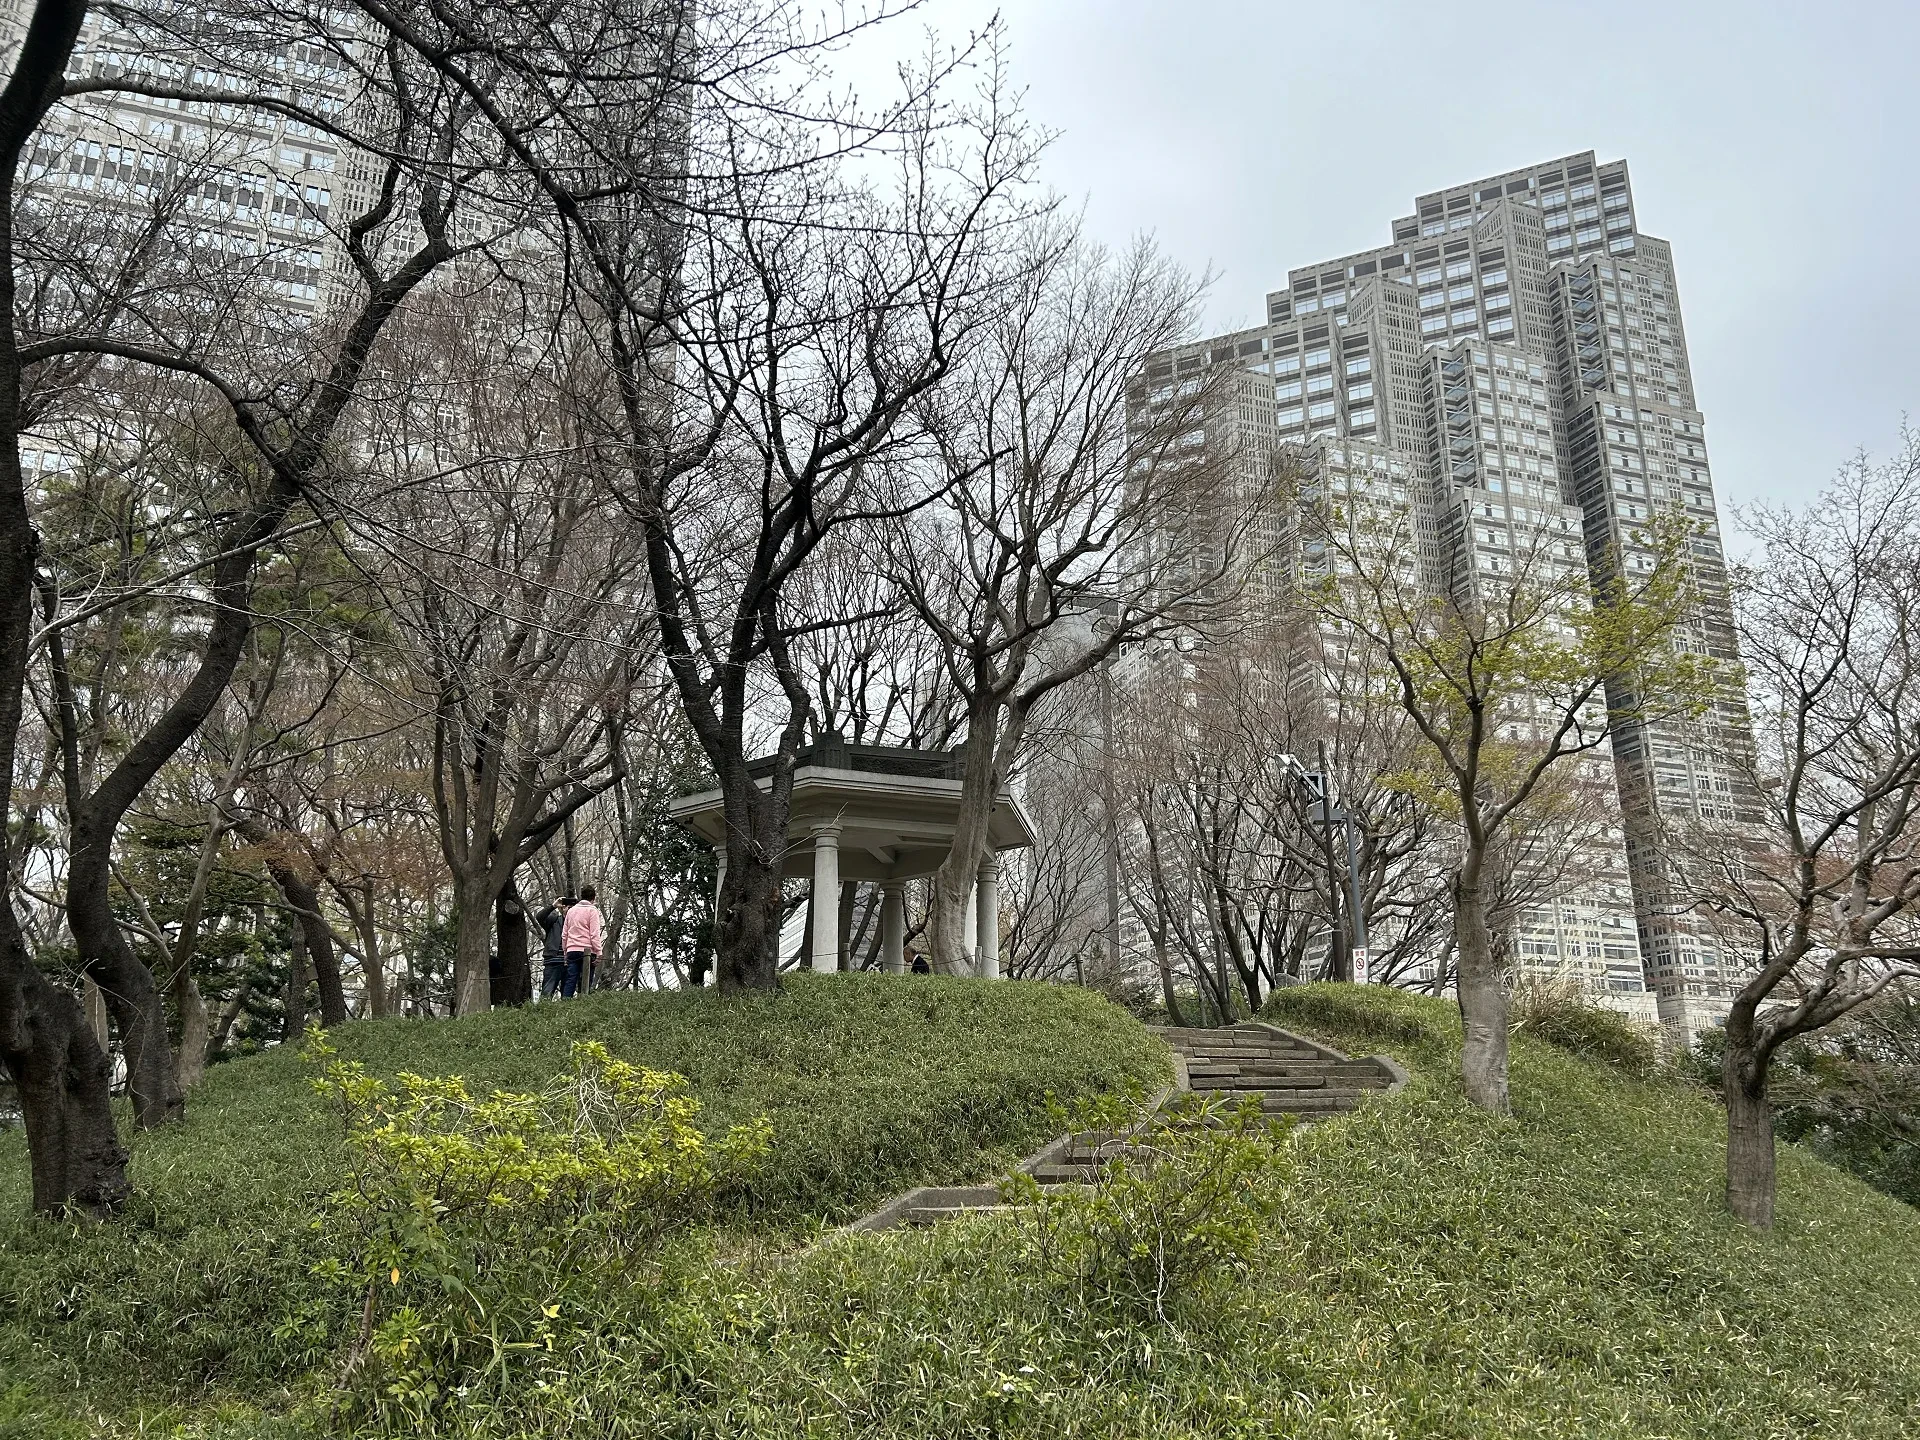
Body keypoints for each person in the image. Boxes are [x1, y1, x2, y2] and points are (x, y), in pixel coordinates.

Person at [560, 884, 604, 998]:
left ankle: (565, 1003)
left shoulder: (571, 911)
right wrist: (599, 952)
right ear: (593, 898)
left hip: (572, 950)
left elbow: (564, 934)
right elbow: (594, 934)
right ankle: (583, 1003)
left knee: (570, 979)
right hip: (587, 951)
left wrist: (565, 951)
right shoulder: (592, 911)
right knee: (586, 981)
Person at [535, 896, 573, 1000]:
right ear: (563, 908)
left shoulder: (576, 923)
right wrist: (553, 906)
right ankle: (544, 1009)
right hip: (553, 961)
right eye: (568, 907)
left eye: (572, 908)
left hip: (570, 961)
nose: (569, 910)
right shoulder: (554, 920)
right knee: (547, 993)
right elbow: (539, 917)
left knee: (567, 996)